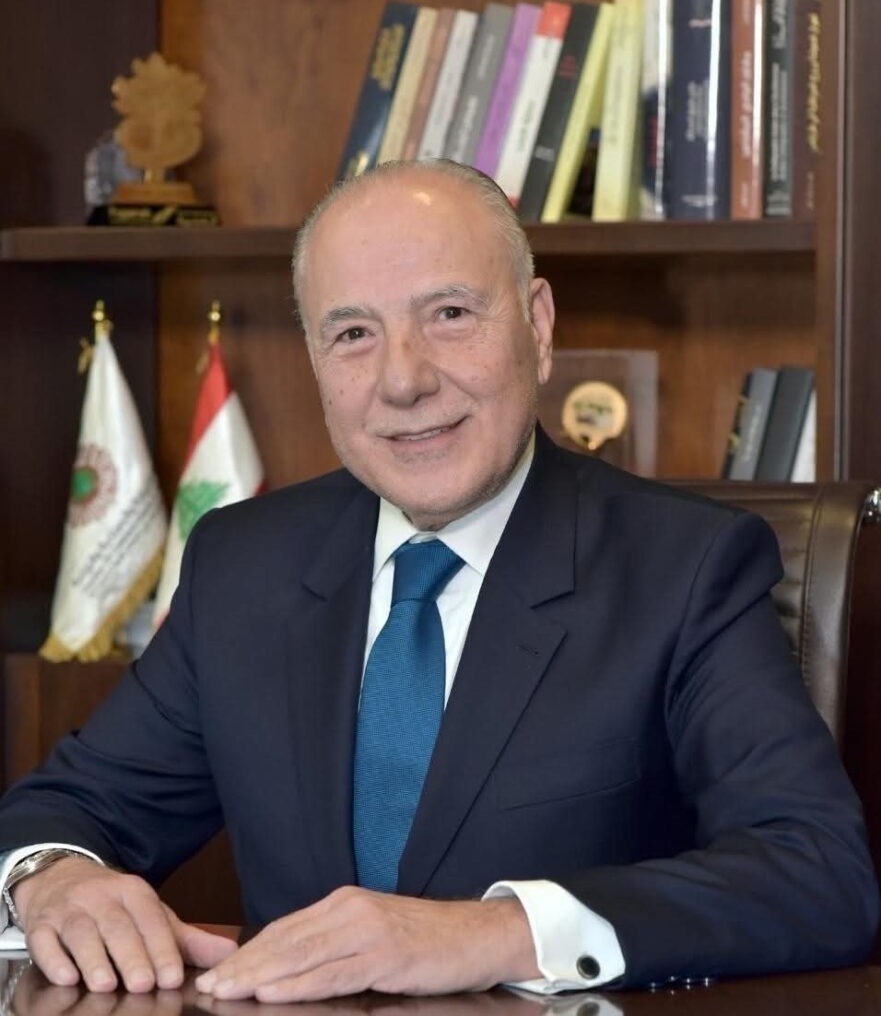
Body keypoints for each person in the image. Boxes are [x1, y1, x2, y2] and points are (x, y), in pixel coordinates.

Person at [0, 161, 875, 1003]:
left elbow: (818, 875)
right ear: (315, 360)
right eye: (353, 334)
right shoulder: (244, 563)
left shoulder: (685, 568)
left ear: (537, 326)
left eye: (450, 314)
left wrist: (491, 933)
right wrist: (55, 879)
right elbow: (66, 809)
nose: (404, 380)